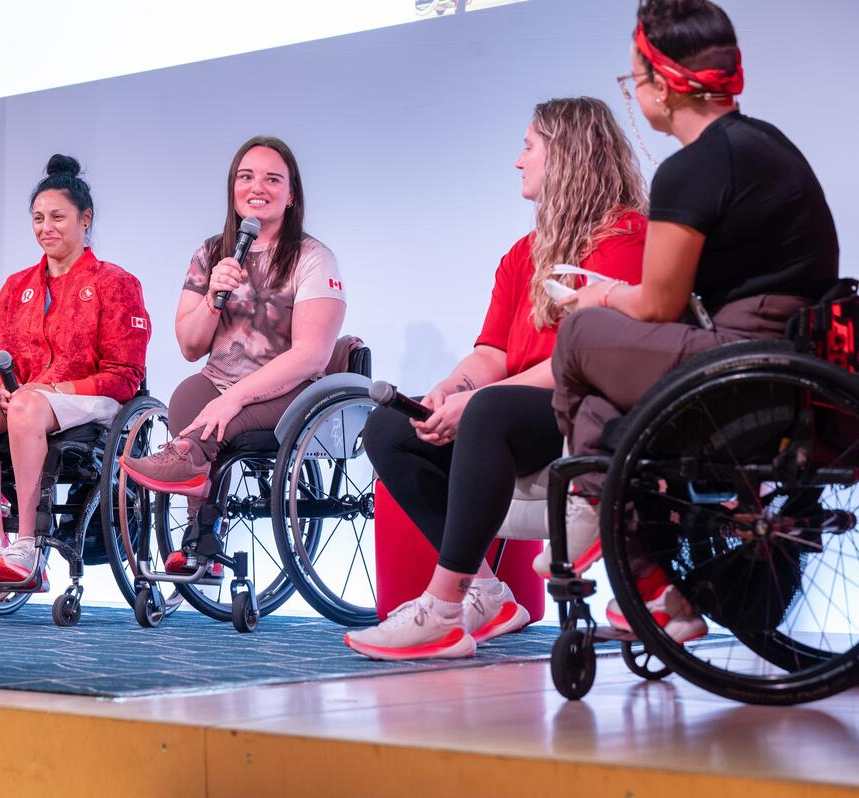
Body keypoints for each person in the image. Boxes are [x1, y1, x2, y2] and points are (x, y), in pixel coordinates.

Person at [547, 0, 839, 640]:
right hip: (790, 365)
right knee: (598, 406)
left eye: (633, 79)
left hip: (744, 367)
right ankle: (652, 590)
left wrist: (599, 299)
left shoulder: (693, 168)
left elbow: (657, 305)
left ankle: (627, 554)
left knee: (575, 337)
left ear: (664, 84)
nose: (633, 93)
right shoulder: (767, 145)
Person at [346, 98, 648, 661]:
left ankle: (440, 609)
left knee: (487, 411)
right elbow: (490, 353)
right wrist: (447, 391)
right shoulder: (522, 254)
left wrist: (478, 400)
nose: (518, 161)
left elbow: (576, 360)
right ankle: (485, 593)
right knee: (391, 426)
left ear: (567, 155)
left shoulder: (626, 236)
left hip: (583, 410)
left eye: (529, 146)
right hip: (516, 409)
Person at [119, 135, 348, 572]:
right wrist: (212, 296)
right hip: (220, 378)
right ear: (233, 188)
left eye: (272, 179)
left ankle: (183, 462)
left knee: (221, 418)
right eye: (246, 177)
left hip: (289, 387)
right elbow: (189, 346)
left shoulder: (314, 258)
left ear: (292, 194)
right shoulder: (211, 254)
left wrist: (237, 396)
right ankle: (201, 539)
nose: (257, 187)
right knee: (189, 395)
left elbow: (312, 356)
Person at [0, 155, 150, 584]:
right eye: (38, 218)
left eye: (58, 217)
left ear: (85, 220)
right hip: (29, 398)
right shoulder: (17, 286)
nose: (46, 227)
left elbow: (125, 375)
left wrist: (55, 389)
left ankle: (28, 545)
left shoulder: (115, 283)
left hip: (92, 401)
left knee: (25, 404)